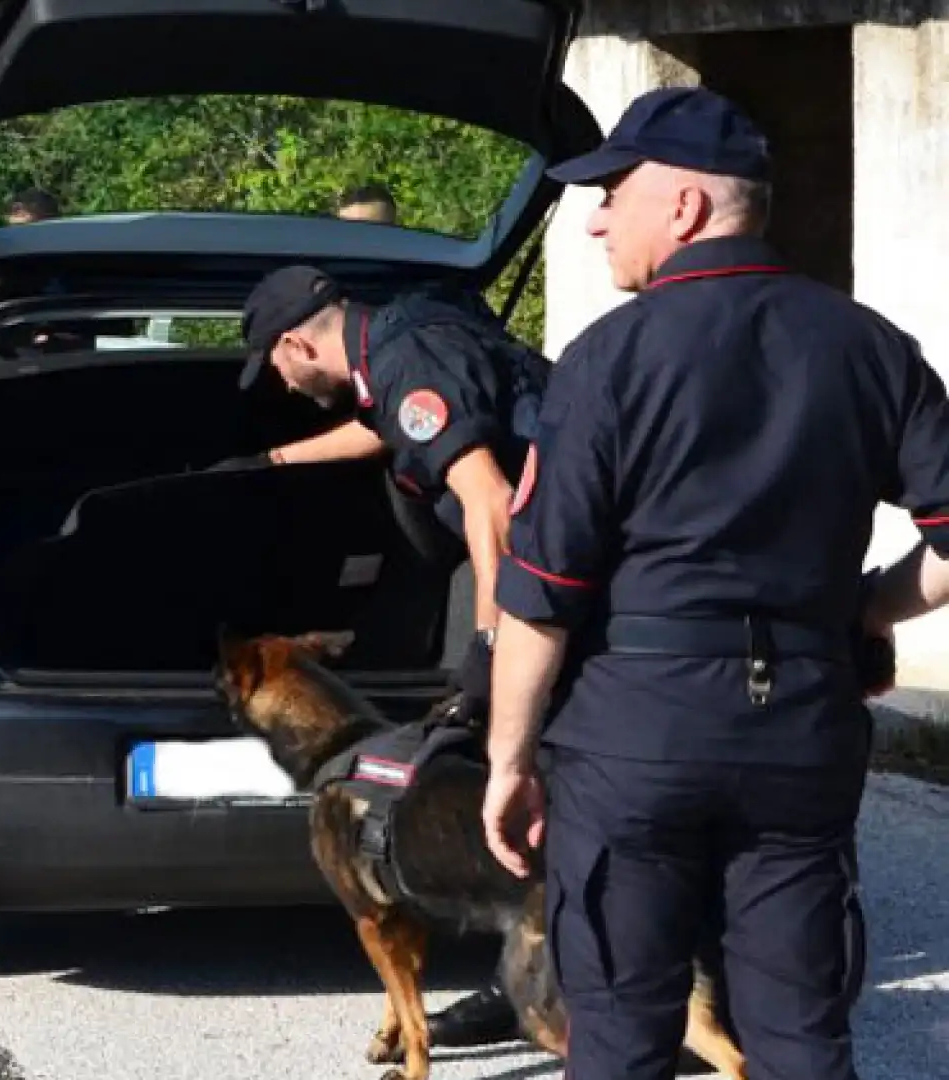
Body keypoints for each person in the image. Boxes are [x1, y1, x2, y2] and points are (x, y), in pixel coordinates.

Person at [480, 85, 946, 1080]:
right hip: (802, 734)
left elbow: (542, 595)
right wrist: (870, 604)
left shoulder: (607, 360)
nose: (598, 216)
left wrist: (507, 762)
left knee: (620, 1030)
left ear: (684, 206)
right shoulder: (871, 349)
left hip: (634, 736)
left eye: (613, 191)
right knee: (801, 1037)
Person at [234, 263, 551, 1046]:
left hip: (559, 597)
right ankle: (540, 974)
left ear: (296, 343)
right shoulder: (401, 347)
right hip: (572, 585)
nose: (277, 379)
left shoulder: (409, 359)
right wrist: (276, 464)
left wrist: (488, 649)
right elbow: (390, 427)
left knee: (555, 791)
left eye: (272, 362)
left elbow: (492, 503)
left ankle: (589, 987)